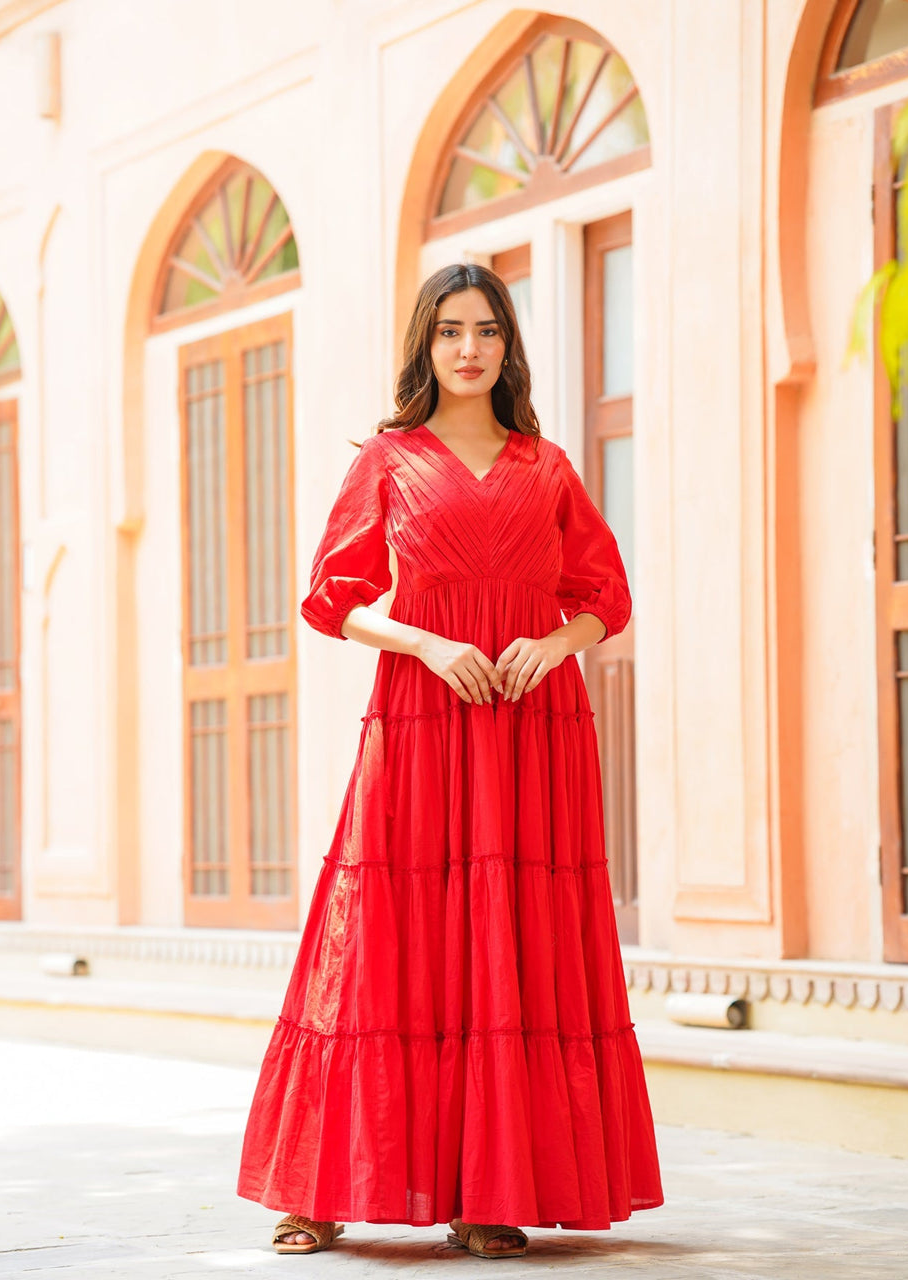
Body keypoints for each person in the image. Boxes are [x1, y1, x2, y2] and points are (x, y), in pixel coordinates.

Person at [236, 262, 664, 1259]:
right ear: (425, 346)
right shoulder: (388, 459)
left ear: (508, 346)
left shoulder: (545, 466)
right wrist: (427, 643)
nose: (468, 348)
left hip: (530, 725)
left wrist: (554, 643)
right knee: (383, 934)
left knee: (510, 943)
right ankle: (322, 1183)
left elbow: (605, 589)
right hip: (422, 718)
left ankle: (489, 1190)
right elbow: (330, 596)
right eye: (448, 331)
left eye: (485, 330)